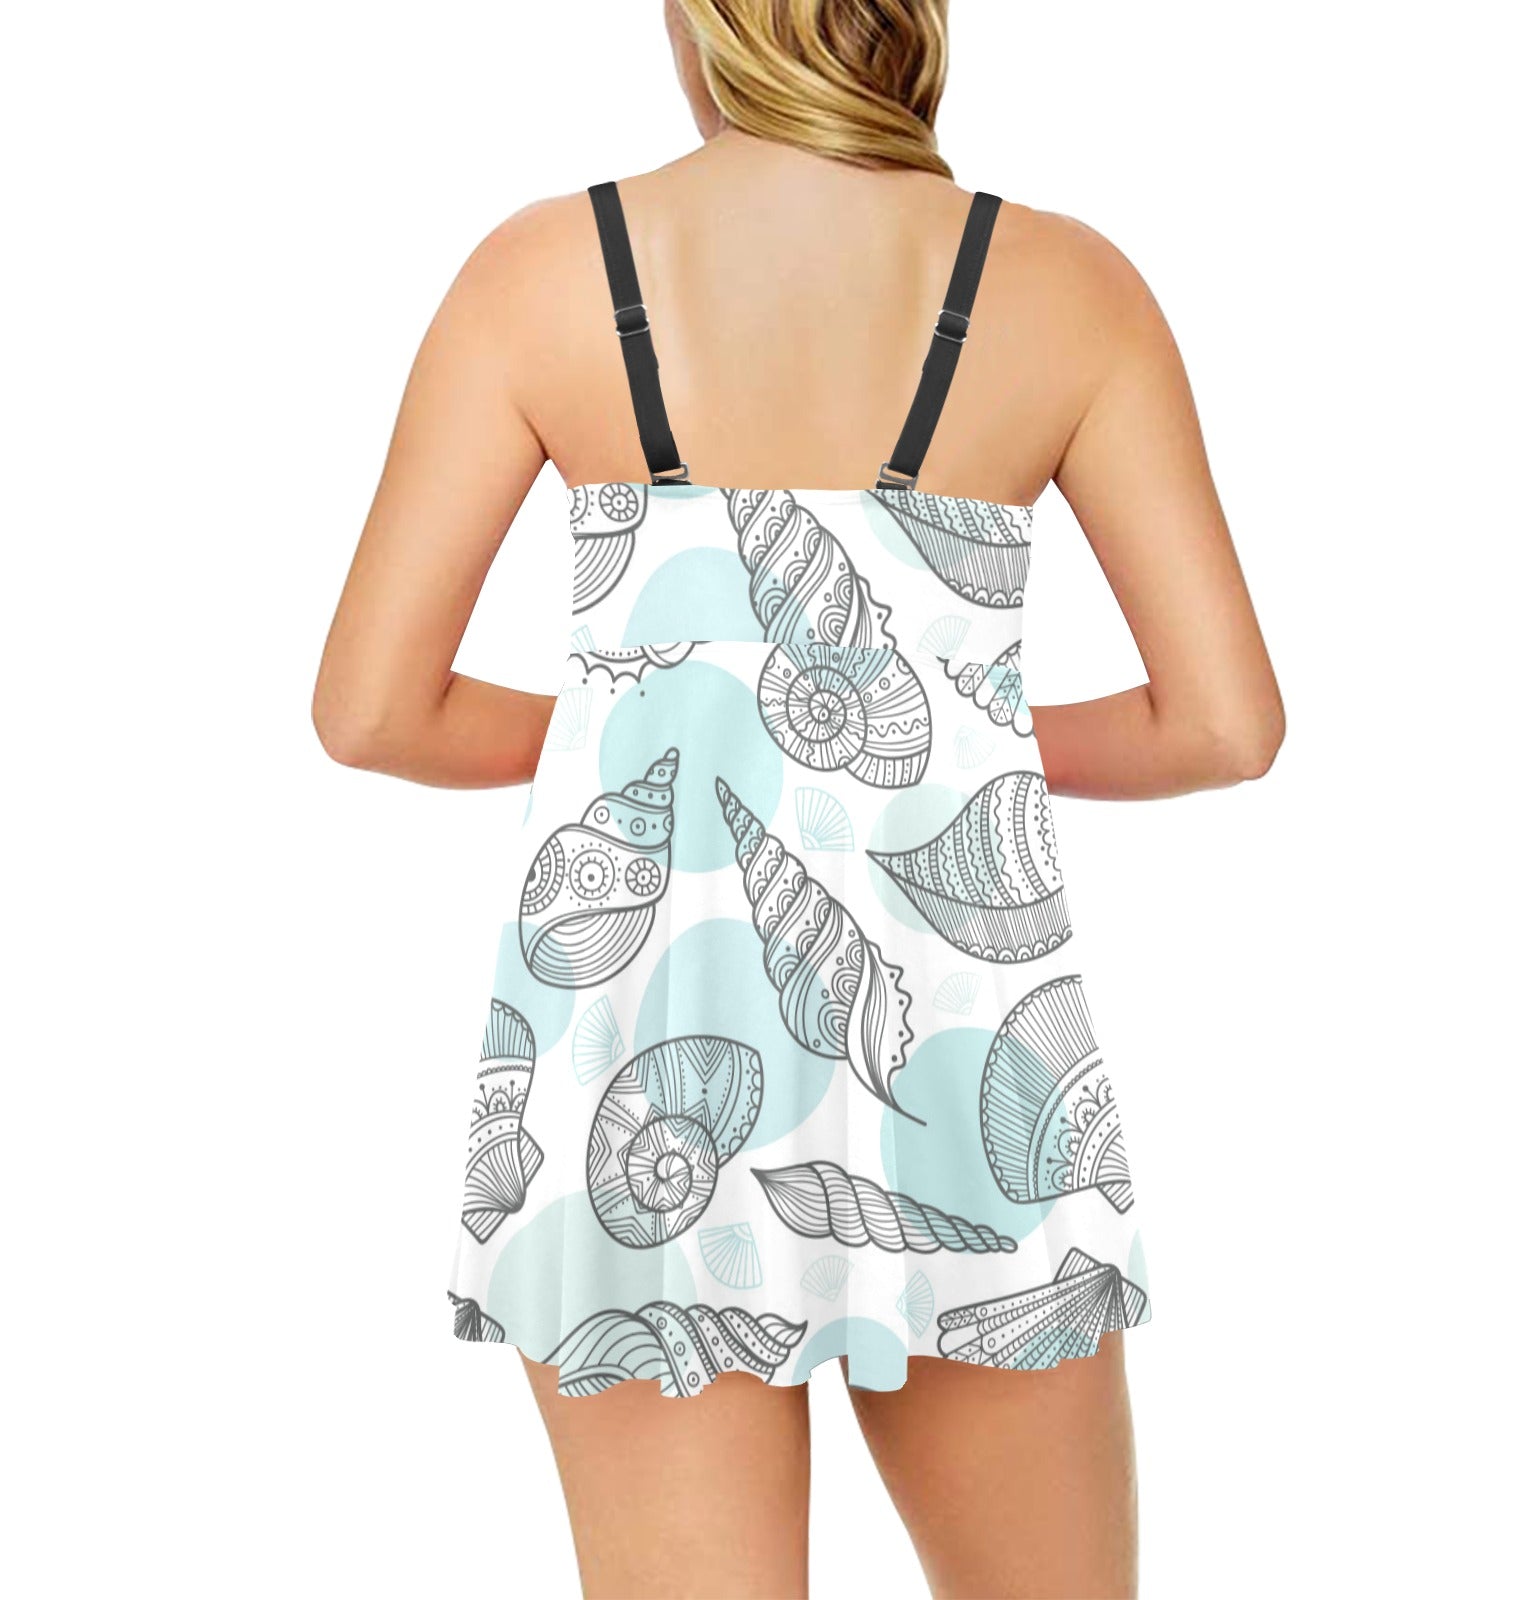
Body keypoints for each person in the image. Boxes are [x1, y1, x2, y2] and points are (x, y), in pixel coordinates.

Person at [313, 3, 1283, 1594]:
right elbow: (1224, 725)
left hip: (635, 1045)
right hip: (960, 1057)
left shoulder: (542, 275)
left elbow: (371, 709)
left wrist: (680, 713)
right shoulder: (1067, 288)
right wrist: (935, 728)